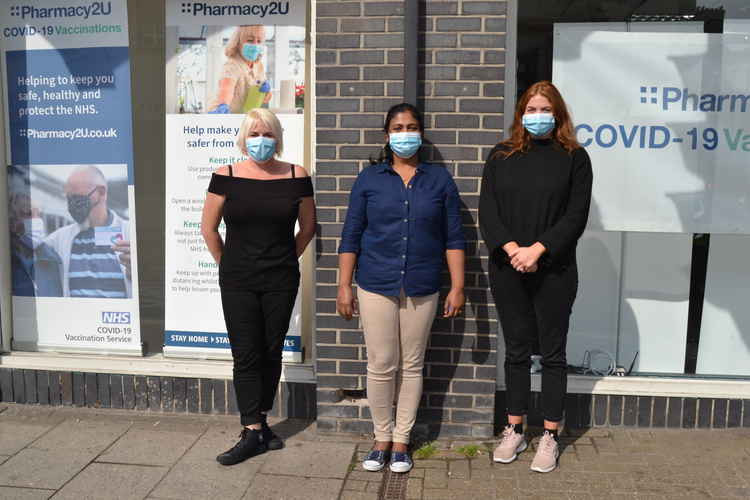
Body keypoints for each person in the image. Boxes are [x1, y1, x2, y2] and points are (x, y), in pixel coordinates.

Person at [337, 103, 466, 474]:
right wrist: (344, 285)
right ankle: (380, 437)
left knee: (412, 365)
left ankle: (401, 440)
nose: (404, 132)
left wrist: (457, 286)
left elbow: (453, 238)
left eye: (411, 126)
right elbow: (351, 234)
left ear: (421, 134)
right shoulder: (369, 179)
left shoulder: (439, 181)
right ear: (387, 135)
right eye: (398, 126)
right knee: (380, 364)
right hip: (376, 283)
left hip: (423, 285)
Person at [479, 81, 592, 473]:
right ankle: (514, 428)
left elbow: (575, 216)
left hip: (554, 269)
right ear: (520, 114)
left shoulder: (574, 157)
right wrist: (512, 250)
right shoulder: (501, 155)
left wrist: (537, 250)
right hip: (507, 267)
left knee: (553, 354)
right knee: (516, 351)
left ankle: (550, 435)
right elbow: (488, 212)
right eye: (530, 108)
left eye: (544, 108)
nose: (537, 115)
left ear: (557, 113)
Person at [201, 108, 315, 465]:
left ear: (277, 138)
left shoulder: (297, 175)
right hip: (238, 280)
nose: (260, 141)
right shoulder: (226, 175)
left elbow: (308, 228)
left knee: (271, 351)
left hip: (280, 279)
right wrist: (230, 265)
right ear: (243, 138)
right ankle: (251, 429)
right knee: (246, 354)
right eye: (254, 134)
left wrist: (284, 259)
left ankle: (262, 421)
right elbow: (208, 228)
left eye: (267, 134)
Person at [45, 166, 132, 299]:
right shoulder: (58, 239)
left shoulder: (131, 234)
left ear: (102, 192)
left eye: (77, 197)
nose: (72, 204)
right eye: (69, 198)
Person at [207, 25, 272, 114]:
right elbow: (227, 88)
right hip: (221, 113)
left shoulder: (258, 65)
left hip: (242, 116)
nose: (255, 45)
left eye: (259, 41)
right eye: (250, 40)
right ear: (238, 42)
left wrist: (267, 93)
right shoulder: (232, 65)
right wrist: (223, 105)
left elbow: (264, 99)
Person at [8, 191, 63, 297]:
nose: (38, 221)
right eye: (30, 214)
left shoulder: (51, 259)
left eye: (39, 215)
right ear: (14, 220)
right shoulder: (8, 259)